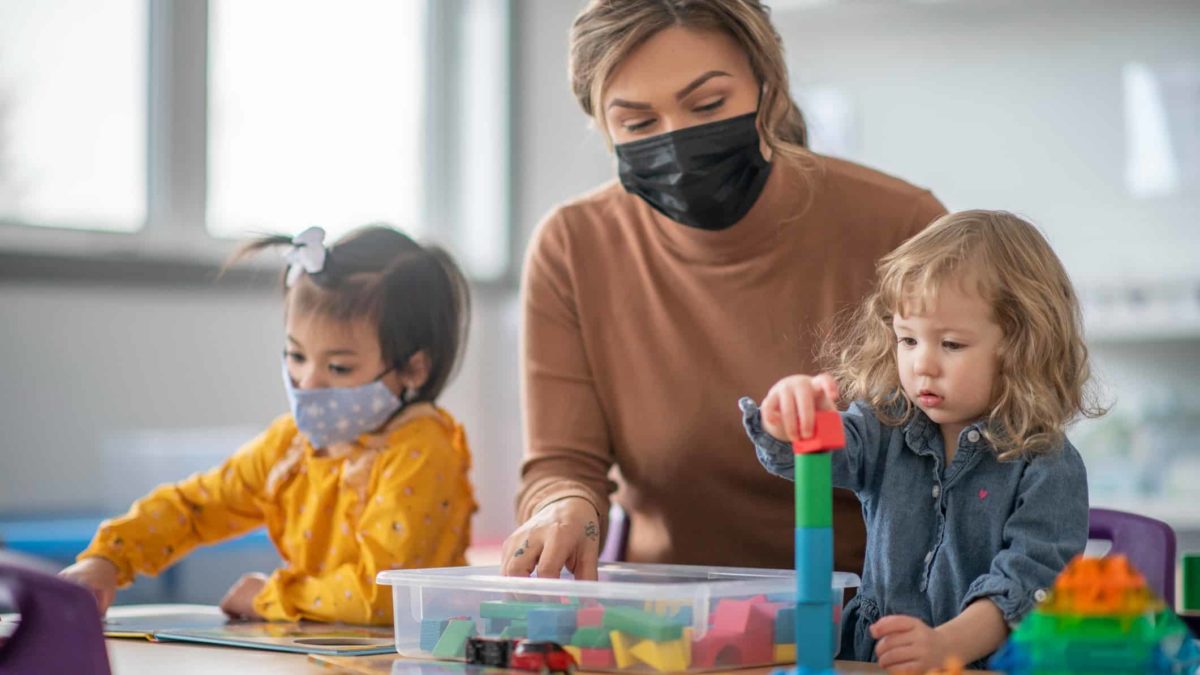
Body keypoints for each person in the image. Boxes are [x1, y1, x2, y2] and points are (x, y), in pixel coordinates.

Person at [504, 0, 945, 580]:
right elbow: (564, 465)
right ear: (604, 130)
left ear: (769, 88)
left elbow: (976, 449)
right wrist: (565, 508)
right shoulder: (573, 246)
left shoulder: (903, 228)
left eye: (709, 104)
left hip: (876, 625)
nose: (677, 142)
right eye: (638, 124)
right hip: (667, 624)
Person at [741, 210, 1104, 670]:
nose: (922, 365)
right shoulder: (885, 425)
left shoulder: (1047, 464)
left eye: (950, 344)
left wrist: (945, 646)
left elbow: (1027, 582)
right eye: (907, 340)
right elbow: (816, 453)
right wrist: (789, 418)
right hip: (875, 659)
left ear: (1021, 346)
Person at [60, 225, 477, 625]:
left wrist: (269, 596)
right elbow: (195, 506)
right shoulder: (291, 446)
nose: (308, 382)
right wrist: (109, 559)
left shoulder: (420, 450)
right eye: (296, 356)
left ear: (413, 369)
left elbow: (385, 595)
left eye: (338, 366)